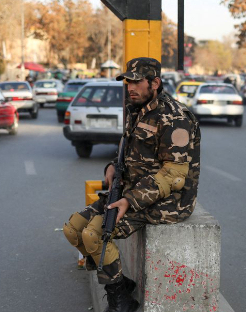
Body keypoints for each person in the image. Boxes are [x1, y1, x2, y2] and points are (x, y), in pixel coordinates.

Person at [62, 57, 200, 312]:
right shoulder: (136, 108)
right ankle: (120, 284)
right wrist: (112, 167)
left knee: (94, 235)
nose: (130, 87)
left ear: (155, 83)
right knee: (73, 229)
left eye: (136, 82)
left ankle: (121, 302)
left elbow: (174, 175)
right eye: (128, 81)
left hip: (167, 202)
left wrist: (129, 200)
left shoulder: (174, 118)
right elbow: (128, 150)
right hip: (131, 190)